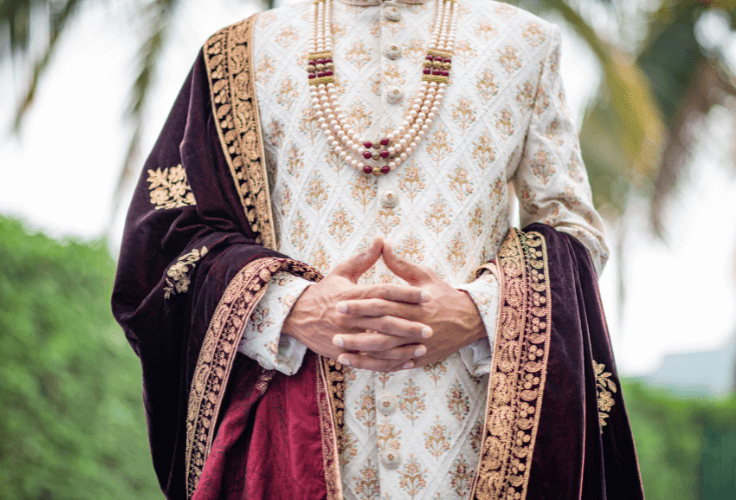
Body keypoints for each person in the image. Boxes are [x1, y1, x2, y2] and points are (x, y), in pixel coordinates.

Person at [112, 1, 644, 499]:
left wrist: (478, 311)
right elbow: (169, 236)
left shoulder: (524, 42)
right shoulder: (242, 51)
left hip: (471, 436)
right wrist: (291, 307)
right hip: (291, 438)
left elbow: (572, 228)